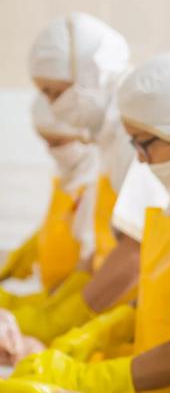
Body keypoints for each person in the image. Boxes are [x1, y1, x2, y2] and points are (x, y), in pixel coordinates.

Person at [5, 51, 170, 393]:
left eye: (144, 144)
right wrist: (97, 331)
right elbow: (163, 298)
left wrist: (80, 377)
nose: (139, 159)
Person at [2, 13, 167, 346]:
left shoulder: (132, 136)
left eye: (55, 92)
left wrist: (63, 318)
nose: (53, 106)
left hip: (144, 320)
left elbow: (135, 251)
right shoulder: (112, 142)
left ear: (90, 75)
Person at [0, 97, 98, 312]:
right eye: (46, 142)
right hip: (55, 289)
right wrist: (34, 247)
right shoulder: (67, 175)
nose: (51, 150)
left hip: (80, 300)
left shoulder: (97, 181)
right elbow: (61, 223)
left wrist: (55, 309)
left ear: (84, 136)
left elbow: (90, 257)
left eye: (58, 142)